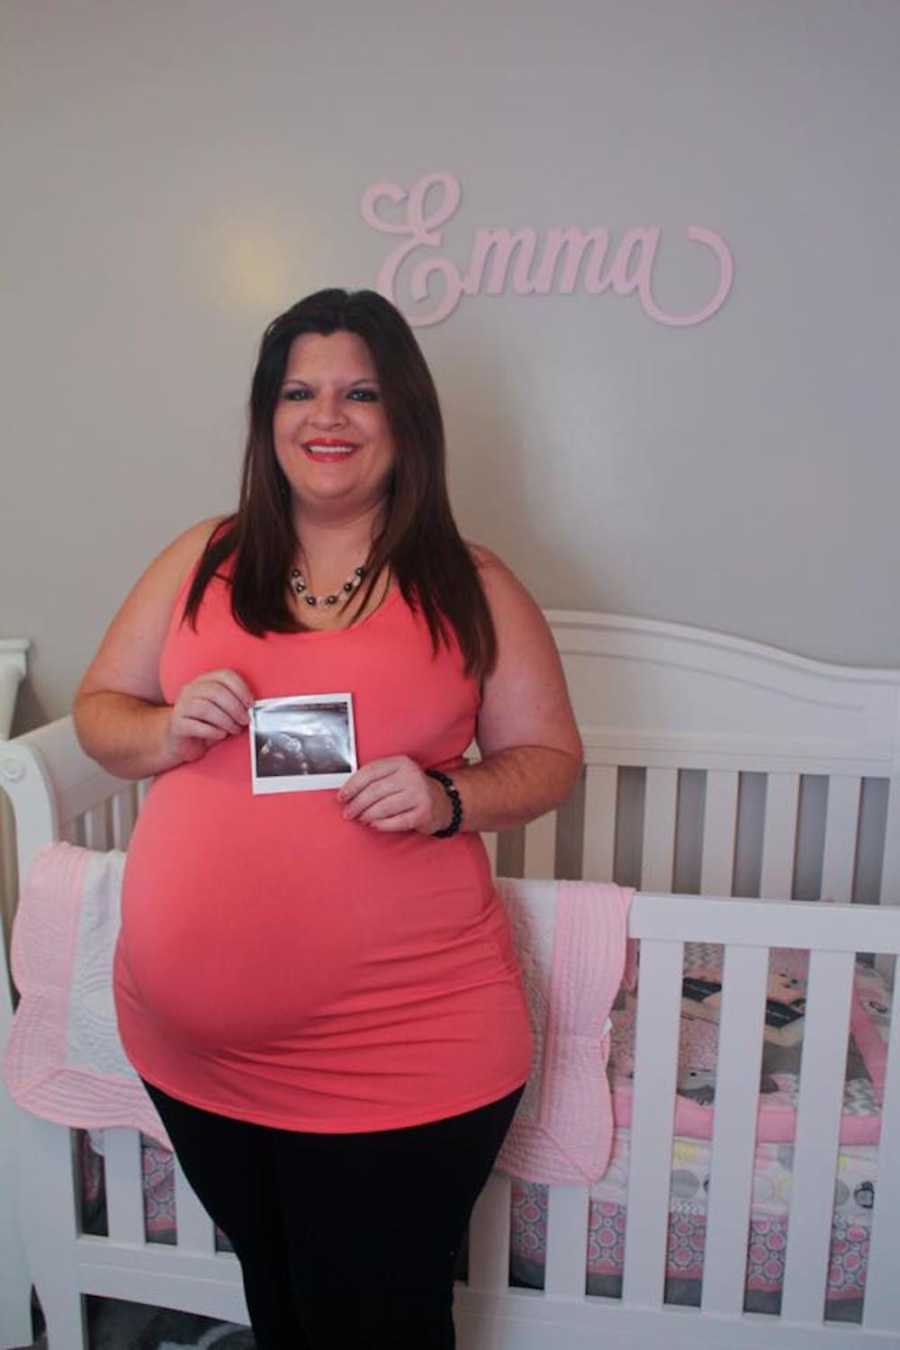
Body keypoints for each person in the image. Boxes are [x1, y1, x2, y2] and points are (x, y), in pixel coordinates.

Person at [73, 288, 582, 1349]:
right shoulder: (202, 559)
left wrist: (450, 799)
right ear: (268, 420)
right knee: (287, 1302)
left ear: (405, 417)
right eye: (300, 391)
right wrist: (167, 731)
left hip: (404, 1050)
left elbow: (548, 761)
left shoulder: (471, 585)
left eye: (361, 391)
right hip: (199, 1059)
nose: (328, 416)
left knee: (382, 1320)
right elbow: (97, 715)